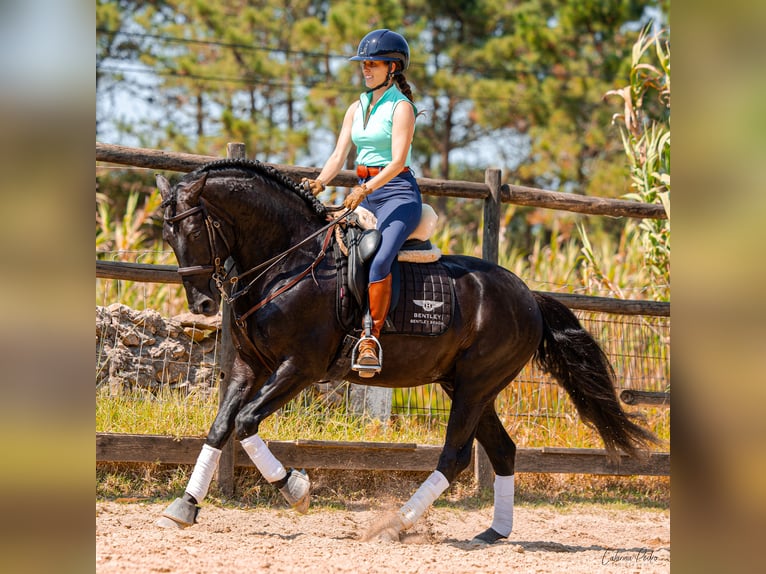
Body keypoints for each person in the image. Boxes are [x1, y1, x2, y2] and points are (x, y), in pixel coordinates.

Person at [302, 28, 422, 376]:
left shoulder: (402, 108)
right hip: (362, 190)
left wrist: (364, 192)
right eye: (363, 64)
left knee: (381, 255)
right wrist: (319, 182)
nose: (365, 69)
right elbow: (339, 154)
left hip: (397, 194)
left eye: (372, 64)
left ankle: (371, 338)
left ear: (393, 68)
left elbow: (398, 162)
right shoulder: (356, 106)